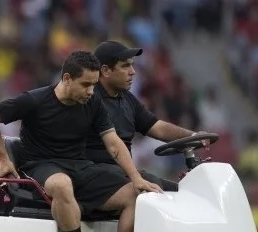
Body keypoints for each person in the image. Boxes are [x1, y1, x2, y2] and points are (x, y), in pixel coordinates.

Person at [0, 51, 162, 232]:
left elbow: (113, 143)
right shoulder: (36, 100)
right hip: (41, 166)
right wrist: (4, 159)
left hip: (81, 167)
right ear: (67, 78)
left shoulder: (93, 102)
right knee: (62, 184)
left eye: (94, 85)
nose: (91, 91)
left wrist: (135, 177)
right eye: (85, 84)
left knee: (136, 195)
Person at [88, 40, 210, 191]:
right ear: (105, 71)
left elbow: (156, 127)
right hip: (98, 177)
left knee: (180, 193)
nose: (133, 71)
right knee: (166, 196)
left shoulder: (127, 99)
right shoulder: (88, 99)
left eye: (132, 65)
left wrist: (193, 135)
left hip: (123, 174)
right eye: (125, 66)